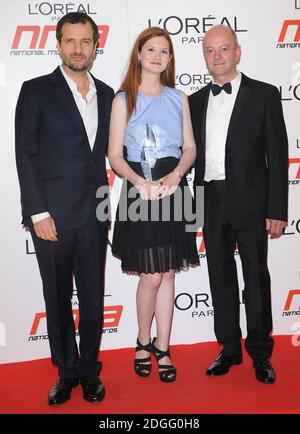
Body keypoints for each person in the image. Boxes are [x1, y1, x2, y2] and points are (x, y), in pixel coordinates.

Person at [15, 12, 114, 405]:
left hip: (95, 213)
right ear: (58, 44)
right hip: (51, 217)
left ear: (95, 46)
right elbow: (26, 154)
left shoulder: (107, 94)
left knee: (93, 297)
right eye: (70, 41)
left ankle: (89, 370)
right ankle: (66, 371)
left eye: (85, 41)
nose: (78, 49)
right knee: (56, 298)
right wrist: (37, 213)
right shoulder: (36, 90)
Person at [189, 25, 288, 384]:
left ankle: (260, 353)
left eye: (223, 49)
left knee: (256, 279)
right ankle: (229, 348)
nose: (217, 56)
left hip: (251, 200)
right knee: (220, 278)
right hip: (210, 200)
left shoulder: (263, 95)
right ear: (204, 56)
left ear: (237, 51)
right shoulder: (195, 100)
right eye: (210, 51)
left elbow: (277, 157)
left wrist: (277, 210)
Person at [108, 27, 199, 383]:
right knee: (151, 274)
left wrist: (176, 176)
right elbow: (115, 155)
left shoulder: (179, 98)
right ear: (139, 54)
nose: (158, 56)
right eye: (151, 49)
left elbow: (189, 148)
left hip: (173, 185)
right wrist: (139, 183)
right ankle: (142, 341)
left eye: (164, 51)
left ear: (170, 58)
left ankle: (164, 347)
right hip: (138, 187)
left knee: (169, 272)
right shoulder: (122, 99)